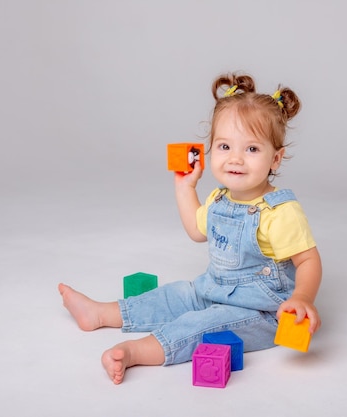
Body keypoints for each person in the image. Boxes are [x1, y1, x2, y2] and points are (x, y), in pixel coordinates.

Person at [58, 72, 322, 385]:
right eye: (225, 146)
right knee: (175, 295)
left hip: (263, 313)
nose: (235, 158)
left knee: (203, 324)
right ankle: (100, 313)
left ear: (275, 159)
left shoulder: (279, 212)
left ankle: (135, 352)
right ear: (211, 149)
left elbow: (308, 260)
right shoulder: (219, 199)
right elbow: (197, 232)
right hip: (211, 289)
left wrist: (303, 298)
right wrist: (185, 188)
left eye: (251, 149)